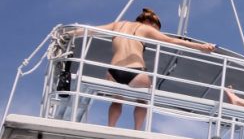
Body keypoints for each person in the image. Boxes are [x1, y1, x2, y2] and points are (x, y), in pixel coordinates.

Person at [73, 8, 216, 130]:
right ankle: (137, 129)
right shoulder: (145, 28)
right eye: (156, 30)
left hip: (113, 71)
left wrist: (71, 33)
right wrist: (201, 47)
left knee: (117, 100)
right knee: (144, 99)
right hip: (135, 71)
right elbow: (171, 41)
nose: (154, 33)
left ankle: (110, 127)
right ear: (150, 23)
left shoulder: (117, 24)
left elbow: (92, 30)